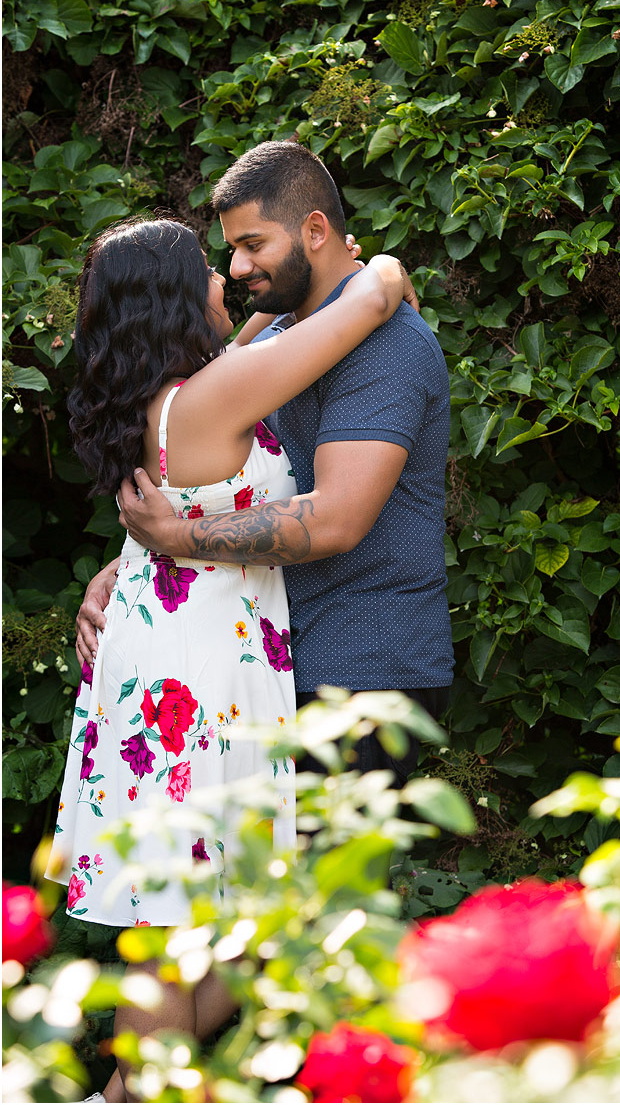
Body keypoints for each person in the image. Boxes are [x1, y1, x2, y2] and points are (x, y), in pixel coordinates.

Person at [46, 214, 413, 1103]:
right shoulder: (209, 399)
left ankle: (124, 1091)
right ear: (176, 297)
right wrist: (382, 260)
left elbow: (256, 333)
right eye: (212, 269)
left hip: (175, 654)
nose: (229, 281)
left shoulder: (179, 392)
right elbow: (371, 298)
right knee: (181, 924)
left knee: (202, 917)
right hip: (196, 674)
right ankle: (135, 1096)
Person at [78, 142, 455, 787]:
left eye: (254, 244)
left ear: (315, 230)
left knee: (324, 885)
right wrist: (134, 562)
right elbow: (218, 489)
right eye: (229, 250)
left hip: (357, 668)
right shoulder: (276, 342)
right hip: (263, 663)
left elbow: (333, 520)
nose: (237, 266)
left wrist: (169, 538)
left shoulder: (387, 347)